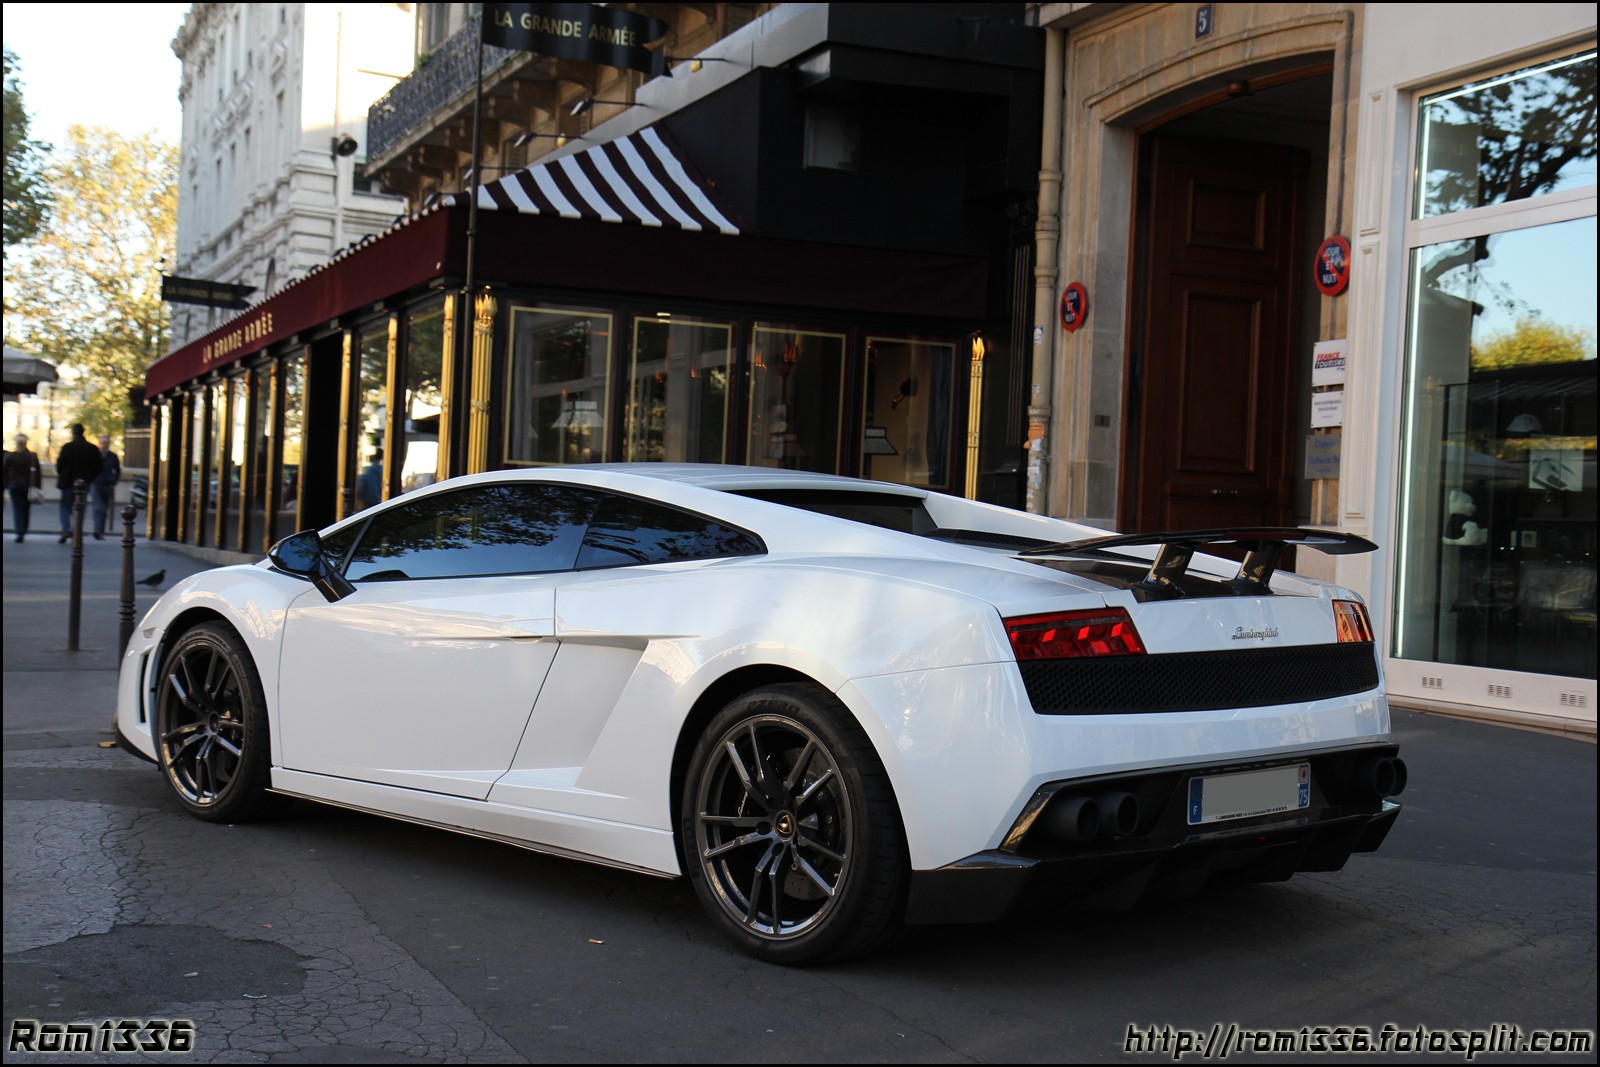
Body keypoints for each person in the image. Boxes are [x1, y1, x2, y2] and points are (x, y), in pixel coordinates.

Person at [54, 423, 103, 543]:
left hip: (67, 482)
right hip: (84, 483)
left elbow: (60, 464)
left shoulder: (67, 447)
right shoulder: (92, 448)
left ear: (73, 432)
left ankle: (66, 529)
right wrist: (89, 478)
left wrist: (63, 475)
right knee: (80, 508)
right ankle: (76, 530)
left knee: (65, 507)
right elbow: (98, 467)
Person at [4, 433, 43, 542]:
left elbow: (4, 471)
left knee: (18, 509)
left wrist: (7, 483)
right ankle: (24, 528)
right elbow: (37, 473)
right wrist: (37, 487)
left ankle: (19, 531)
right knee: (26, 508)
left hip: (15, 485)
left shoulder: (11, 456)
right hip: (28, 486)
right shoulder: (32, 456)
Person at [91, 434, 123, 540]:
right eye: (102, 442)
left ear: (108, 444)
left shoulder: (113, 456)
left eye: (105, 443)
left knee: (104, 509)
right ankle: (96, 529)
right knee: (98, 507)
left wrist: (113, 480)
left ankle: (101, 531)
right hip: (96, 484)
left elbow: (117, 471)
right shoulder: (95, 455)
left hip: (107, 484)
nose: (104, 445)